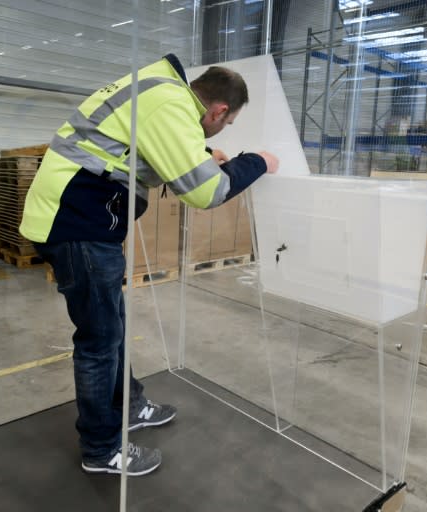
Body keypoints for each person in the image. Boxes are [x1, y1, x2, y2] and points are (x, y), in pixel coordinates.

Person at [19, 53, 279, 477]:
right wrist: (258, 162)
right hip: (76, 224)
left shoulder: (161, 91)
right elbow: (206, 193)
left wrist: (205, 153)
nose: (220, 130)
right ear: (218, 111)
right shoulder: (170, 105)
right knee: (99, 341)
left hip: (81, 218)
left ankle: (131, 406)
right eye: (226, 124)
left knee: (112, 326)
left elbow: (145, 155)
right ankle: (101, 449)